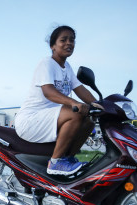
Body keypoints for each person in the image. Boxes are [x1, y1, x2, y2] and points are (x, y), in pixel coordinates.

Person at [14, 25, 99, 176]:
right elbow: (48, 92)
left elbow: (81, 90)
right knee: (76, 113)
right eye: (63, 40)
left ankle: (68, 158)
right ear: (53, 45)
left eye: (72, 40)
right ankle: (55, 163)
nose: (69, 43)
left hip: (50, 118)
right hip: (31, 120)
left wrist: (101, 105)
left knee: (89, 119)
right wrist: (73, 103)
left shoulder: (68, 68)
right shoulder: (47, 63)